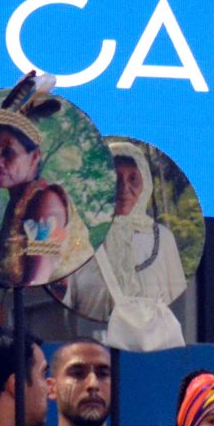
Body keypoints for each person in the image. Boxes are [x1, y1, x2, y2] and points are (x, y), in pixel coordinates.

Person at [60, 144, 188, 351]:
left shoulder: (163, 239)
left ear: (144, 183)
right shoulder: (79, 239)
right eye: (114, 178)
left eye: (133, 179)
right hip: (92, 348)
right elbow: (68, 307)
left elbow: (176, 300)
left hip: (155, 355)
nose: (124, 188)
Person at [0, 81, 93, 287]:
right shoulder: (18, 203)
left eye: (8, 153)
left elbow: (38, 281)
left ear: (34, 157)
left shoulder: (46, 202)